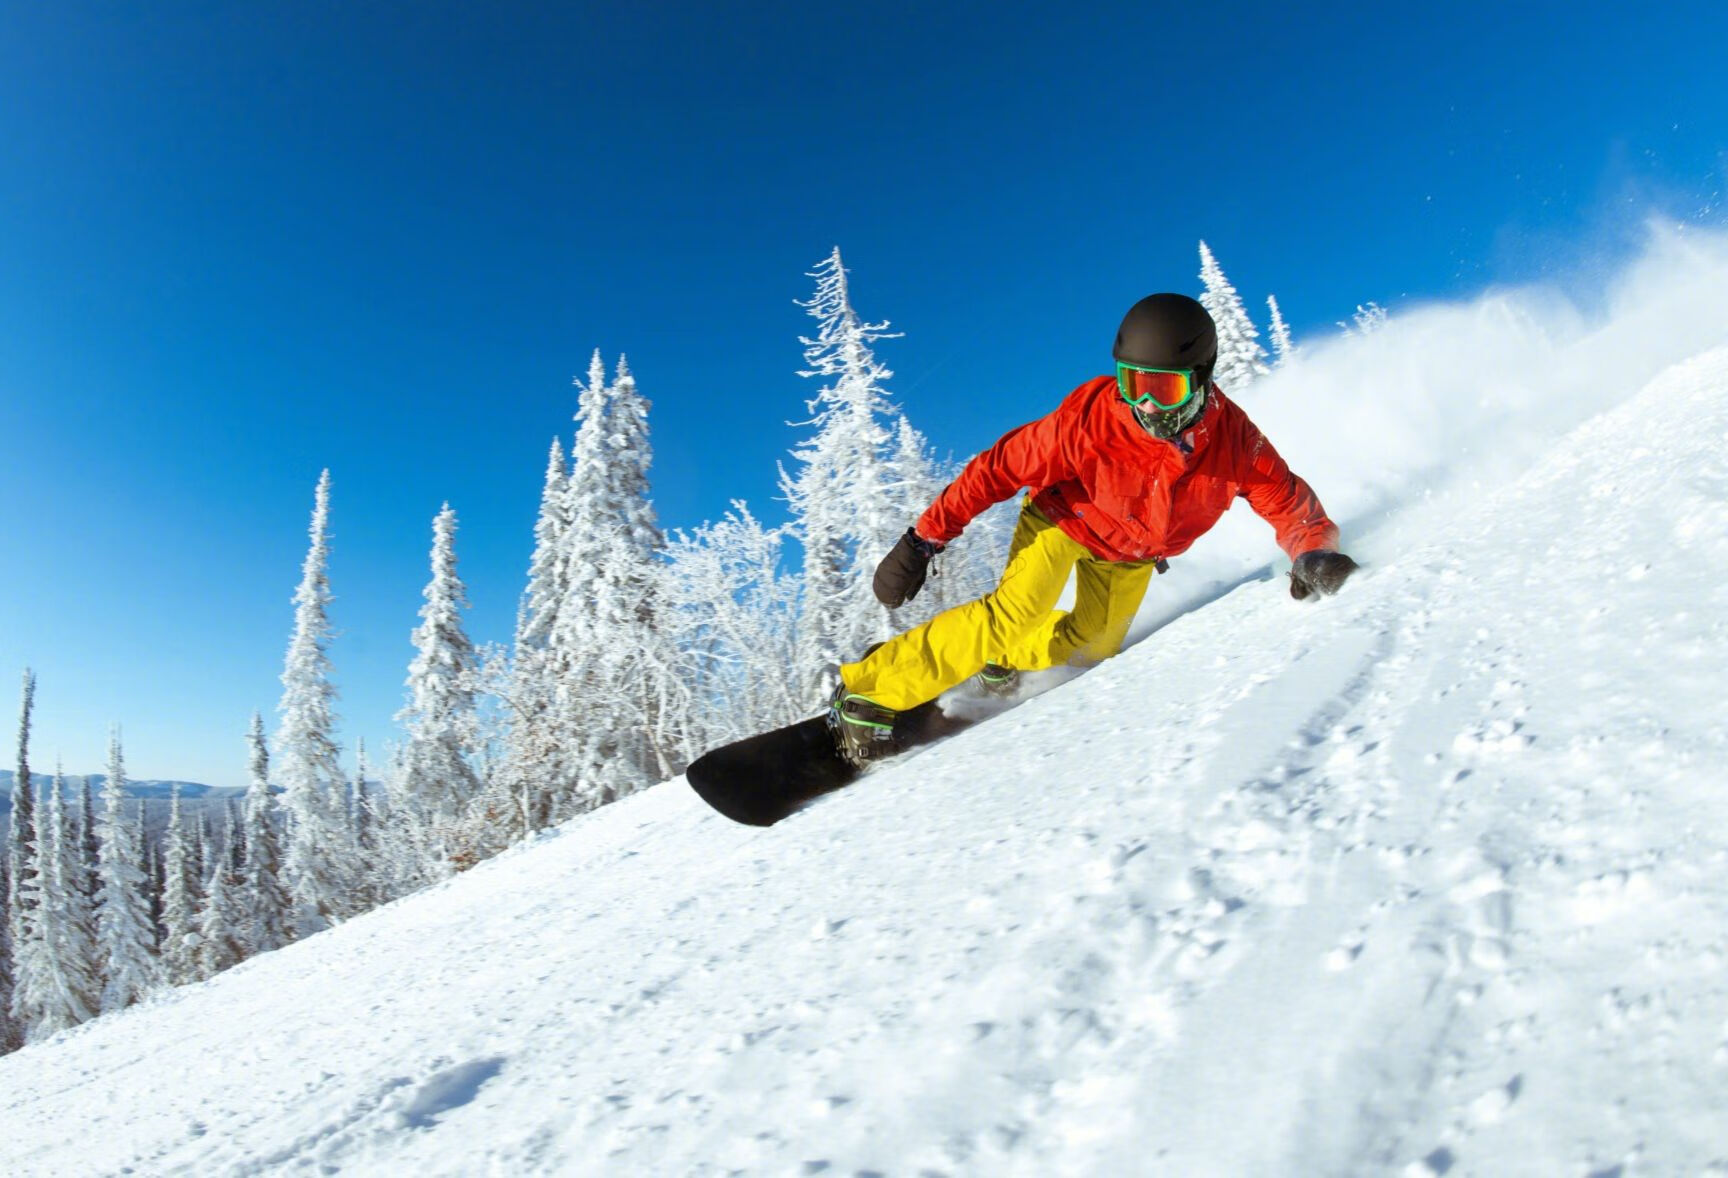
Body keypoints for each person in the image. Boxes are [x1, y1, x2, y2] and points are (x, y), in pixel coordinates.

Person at [828, 292, 1359, 766]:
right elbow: (996, 469)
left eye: (1164, 389)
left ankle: (1002, 660)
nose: (1146, 405)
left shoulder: (1235, 442)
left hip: (1130, 554)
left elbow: (1287, 500)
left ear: (1202, 378)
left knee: (1093, 646)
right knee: (1014, 613)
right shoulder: (1090, 421)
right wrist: (923, 540)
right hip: (1064, 521)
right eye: (1134, 384)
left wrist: (1312, 551)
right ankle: (870, 691)